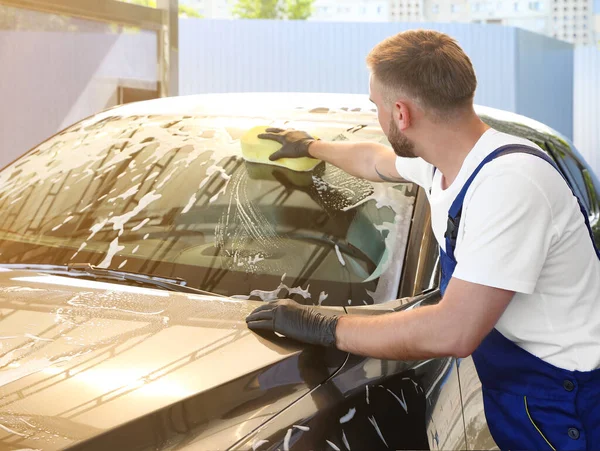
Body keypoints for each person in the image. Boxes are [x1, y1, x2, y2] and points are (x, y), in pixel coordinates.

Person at [246, 29, 600, 450]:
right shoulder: (443, 162)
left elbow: (454, 330)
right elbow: (375, 161)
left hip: (564, 404)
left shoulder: (510, 184)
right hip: (523, 393)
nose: (377, 115)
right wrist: (311, 146)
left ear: (401, 113)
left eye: (376, 105)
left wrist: (323, 326)